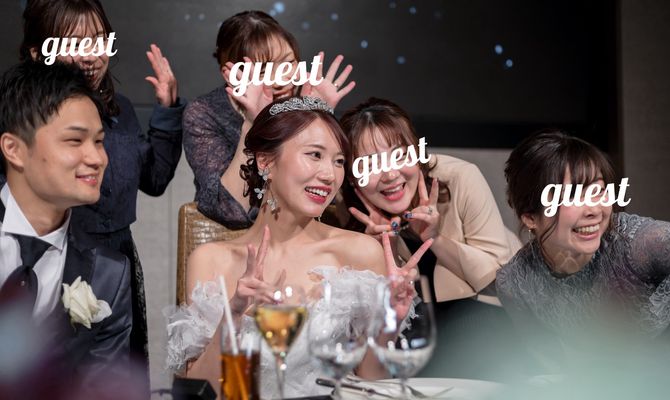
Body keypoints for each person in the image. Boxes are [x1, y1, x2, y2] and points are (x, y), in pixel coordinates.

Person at [167, 96, 432, 398]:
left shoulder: (359, 252)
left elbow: (371, 380)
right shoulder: (211, 260)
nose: (329, 175)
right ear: (266, 161)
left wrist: (389, 324)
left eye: (339, 161)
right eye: (315, 155)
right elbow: (197, 392)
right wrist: (235, 315)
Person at [0, 0, 186, 385]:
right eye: (73, 43)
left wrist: (166, 111)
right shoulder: (17, 117)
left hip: (111, 265)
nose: (91, 56)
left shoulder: (121, 113)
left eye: (99, 41)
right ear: (37, 52)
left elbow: (154, 179)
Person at [339, 98, 524, 379]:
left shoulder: (459, 178)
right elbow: (378, 317)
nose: (390, 174)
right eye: (370, 165)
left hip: (486, 318)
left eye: (400, 156)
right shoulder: (352, 209)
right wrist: (379, 250)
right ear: (353, 178)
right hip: (412, 331)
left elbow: (501, 282)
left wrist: (434, 239)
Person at [0, 61, 133, 399]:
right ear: (14, 149)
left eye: (99, 141)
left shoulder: (109, 274)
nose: (97, 158)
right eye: (75, 140)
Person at [497, 131, 670, 373]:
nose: (594, 210)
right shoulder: (516, 283)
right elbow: (551, 366)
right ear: (530, 218)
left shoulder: (640, 243)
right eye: (572, 196)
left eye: (598, 191)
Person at [183, 10, 355, 228]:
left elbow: (330, 190)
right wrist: (253, 123)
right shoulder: (204, 113)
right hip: (236, 238)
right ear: (231, 73)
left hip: (305, 234)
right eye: (264, 70)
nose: (282, 80)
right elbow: (231, 212)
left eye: (288, 63)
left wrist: (318, 118)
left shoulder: (305, 97)